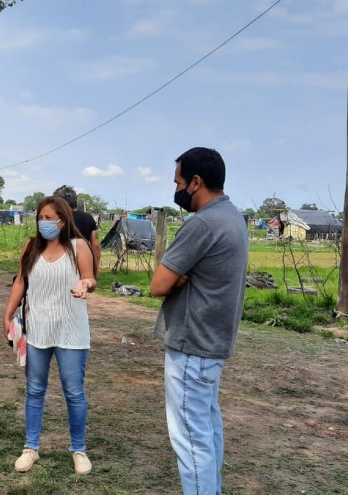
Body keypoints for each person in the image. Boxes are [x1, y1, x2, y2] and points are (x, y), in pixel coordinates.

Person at [149, 147, 248, 495]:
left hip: (192, 345)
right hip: (213, 342)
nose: (176, 190)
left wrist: (175, 278)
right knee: (206, 428)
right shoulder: (233, 216)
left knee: (190, 440)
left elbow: (157, 285)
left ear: (196, 182)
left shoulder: (203, 223)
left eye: (178, 182)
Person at [2, 196, 97, 476]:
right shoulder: (31, 247)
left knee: (74, 392)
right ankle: (31, 448)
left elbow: (91, 278)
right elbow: (21, 281)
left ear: (63, 221)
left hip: (72, 330)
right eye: (40, 218)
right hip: (37, 330)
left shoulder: (78, 247)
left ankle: (78, 450)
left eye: (49, 218)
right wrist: (7, 315)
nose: (44, 223)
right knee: (34, 390)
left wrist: (85, 284)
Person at [53, 185, 101, 270]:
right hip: (83, 264)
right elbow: (96, 245)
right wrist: (95, 268)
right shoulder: (88, 218)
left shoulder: (57, 220)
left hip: (60, 266)